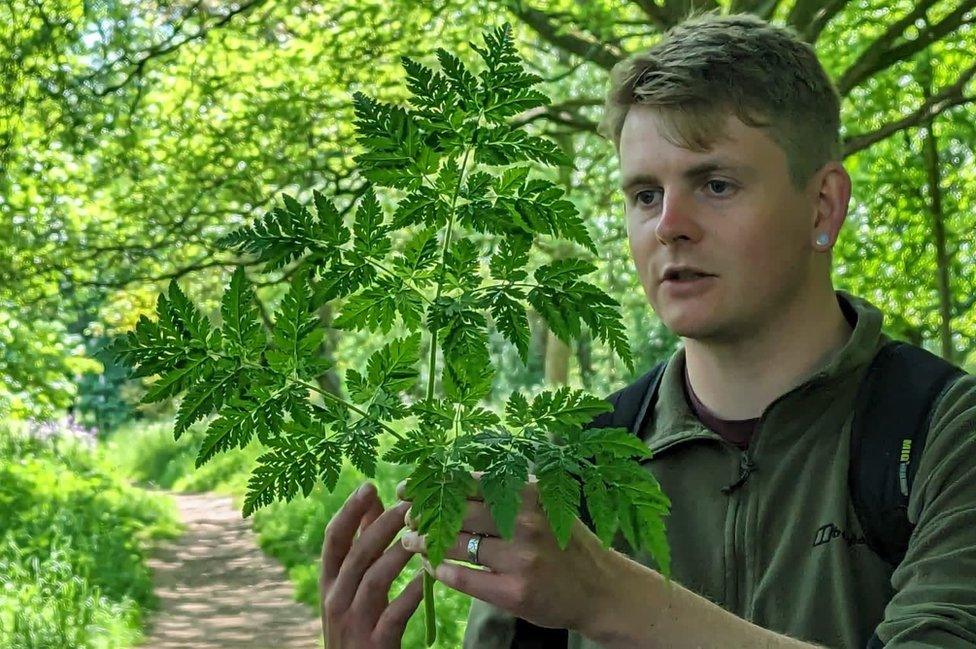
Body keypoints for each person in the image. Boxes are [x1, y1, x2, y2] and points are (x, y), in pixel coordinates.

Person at [318, 12, 976, 648]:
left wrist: (605, 595)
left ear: (823, 204)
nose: (669, 225)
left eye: (715, 184)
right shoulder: (573, 463)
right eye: (644, 196)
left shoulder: (941, 435)